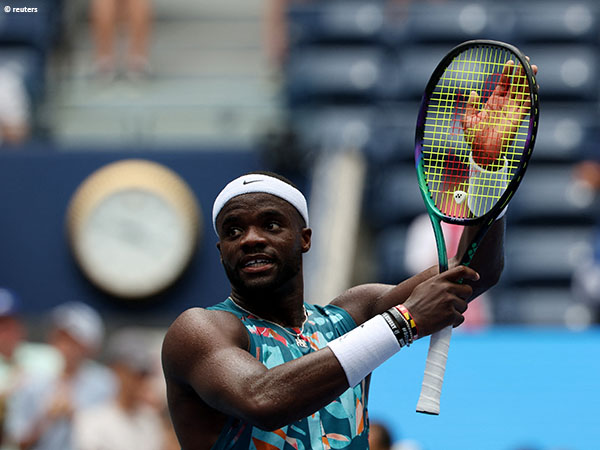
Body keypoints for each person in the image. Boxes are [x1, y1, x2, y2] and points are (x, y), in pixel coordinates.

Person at [162, 60, 537, 449]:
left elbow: (474, 271)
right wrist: (404, 322)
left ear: (305, 238)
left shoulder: (351, 315)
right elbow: (262, 399)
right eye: (234, 231)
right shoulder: (199, 331)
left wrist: (489, 170)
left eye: (271, 225)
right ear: (221, 251)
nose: (251, 240)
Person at [4, 302, 116, 450]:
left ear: (90, 344)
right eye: (61, 337)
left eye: (73, 340)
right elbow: (18, 440)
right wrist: (46, 416)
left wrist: (74, 414)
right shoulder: (33, 381)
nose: (66, 346)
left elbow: (111, 437)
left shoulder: (106, 384)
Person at [73, 327, 165, 450]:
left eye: (145, 374)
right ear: (117, 370)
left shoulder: (152, 420)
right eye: (136, 374)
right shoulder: (91, 420)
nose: (141, 381)